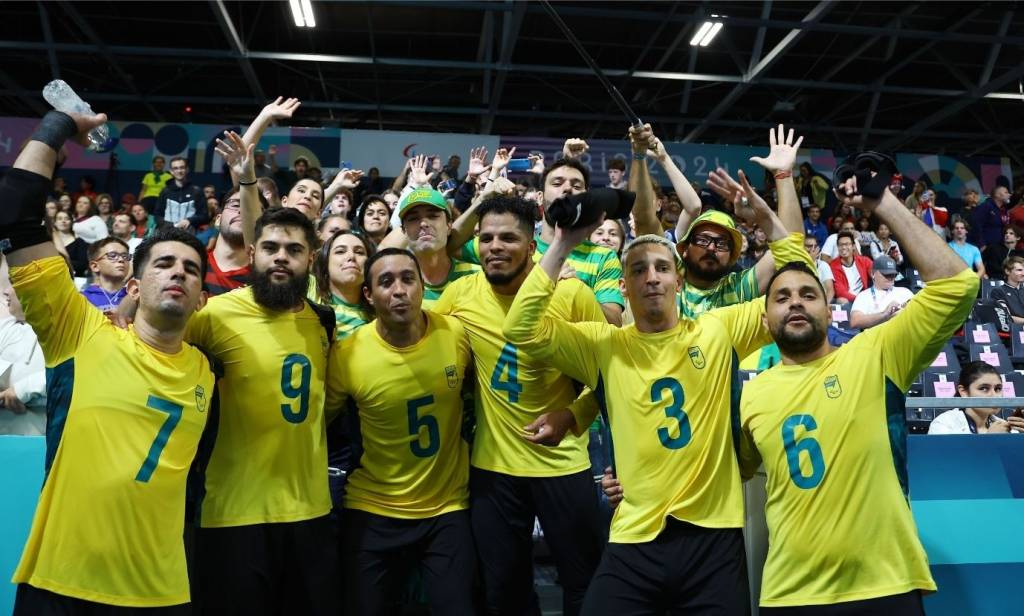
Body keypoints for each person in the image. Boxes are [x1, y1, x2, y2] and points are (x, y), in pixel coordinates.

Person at [502, 180, 810, 615]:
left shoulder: (718, 330)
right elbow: (521, 329)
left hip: (713, 537)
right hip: (634, 536)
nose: (651, 278)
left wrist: (768, 209)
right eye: (639, 270)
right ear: (623, 286)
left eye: (662, 268)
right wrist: (564, 242)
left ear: (679, 280)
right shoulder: (603, 345)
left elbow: (801, 292)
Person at [738, 167, 983, 614]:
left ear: (831, 311)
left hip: (885, 585)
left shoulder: (876, 353)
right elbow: (727, 469)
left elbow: (958, 286)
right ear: (764, 319)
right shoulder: (750, 393)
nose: (795, 301)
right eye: (782, 296)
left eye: (808, 295)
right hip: (790, 594)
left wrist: (883, 201)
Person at [5, 108, 214, 613]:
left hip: (162, 591)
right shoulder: (80, 332)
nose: (179, 274)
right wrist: (57, 129)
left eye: (190, 270)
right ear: (134, 288)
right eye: (164, 264)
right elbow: (12, 211)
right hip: (62, 581)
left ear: (202, 300)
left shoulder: (209, 367)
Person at [431, 195, 607, 616]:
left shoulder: (572, 294)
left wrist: (573, 415)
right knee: (504, 590)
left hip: (563, 463)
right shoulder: (460, 293)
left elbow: (609, 373)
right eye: (487, 238)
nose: (495, 246)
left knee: (584, 583)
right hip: (494, 469)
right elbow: (425, 346)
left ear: (532, 246)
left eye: (509, 238)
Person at [189, 141, 340, 615]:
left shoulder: (324, 321)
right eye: (270, 248)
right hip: (232, 512)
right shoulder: (214, 316)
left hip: (310, 510)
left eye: (294, 250)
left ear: (310, 258)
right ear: (252, 254)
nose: (281, 258)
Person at [326, 247, 475, 615]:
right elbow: (318, 425)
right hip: (373, 505)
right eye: (386, 282)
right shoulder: (348, 354)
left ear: (422, 286)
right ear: (369, 295)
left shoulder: (454, 334)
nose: (399, 290)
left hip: (446, 506)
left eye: (408, 279)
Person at [381, 187, 479, 310]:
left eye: (433, 216)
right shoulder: (395, 288)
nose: (423, 224)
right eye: (413, 219)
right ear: (404, 231)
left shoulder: (477, 276)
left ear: (449, 226)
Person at [0, 260, 46, 437]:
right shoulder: (6, 328)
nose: (5, 291)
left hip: (43, 432)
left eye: (13, 284)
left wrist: (23, 389)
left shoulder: (68, 330)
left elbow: (74, 373)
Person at [929, 361, 1024, 434]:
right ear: (963, 392)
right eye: (984, 388)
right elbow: (947, 459)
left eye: (998, 388)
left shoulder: (1006, 428)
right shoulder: (943, 424)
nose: (994, 395)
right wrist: (990, 439)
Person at [312, 229, 374, 340]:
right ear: (325, 262)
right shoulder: (310, 289)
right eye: (340, 251)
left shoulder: (379, 312)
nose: (351, 256)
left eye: (359, 252)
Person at [204, 190, 253, 296]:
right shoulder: (192, 263)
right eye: (235, 205)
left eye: (252, 209)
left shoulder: (265, 280)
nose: (243, 211)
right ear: (218, 219)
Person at [849, 255, 915, 329]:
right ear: (873, 274)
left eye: (893, 274)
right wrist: (885, 314)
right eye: (886, 274)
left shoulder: (905, 292)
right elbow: (855, 321)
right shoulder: (864, 296)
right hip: (877, 337)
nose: (891, 277)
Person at [155, 157, 208, 231]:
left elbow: (204, 216)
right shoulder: (165, 191)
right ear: (171, 171)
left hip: (189, 232)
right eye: (175, 168)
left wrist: (189, 220)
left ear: (187, 169)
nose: (179, 171)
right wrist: (169, 225)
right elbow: (157, 215)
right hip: (167, 232)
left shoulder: (196, 191)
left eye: (182, 167)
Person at [81, 237, 131, 313]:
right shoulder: (83, 298)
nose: (121, 260)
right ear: (95, 266)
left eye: (125, 256)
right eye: (112, 255)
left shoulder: (135, 297)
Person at [829, 231, 873, 306]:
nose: (843, 247)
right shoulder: (833, 266)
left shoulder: (864, 261)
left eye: (847, 244)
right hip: (849, 301)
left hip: (864, 297)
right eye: (840, 245)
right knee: (841, 300)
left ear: (853, 246)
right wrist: (860, 300)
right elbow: (840, 292)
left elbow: (876, 274)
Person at [970, 185, 1011, 251]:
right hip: (987, 247)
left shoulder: (1003, 210)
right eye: (1006, 192)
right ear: (997, 195)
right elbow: (976, 225)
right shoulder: (985, 207)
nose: (1009, 194)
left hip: (1000, 246)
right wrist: (981, 244)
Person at [51, 211, 89, 278]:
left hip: (74, 278)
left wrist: (58, 263)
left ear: (71, 222)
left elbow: (82, 265)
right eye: (60, 219)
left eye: (67, 219)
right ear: (55, 222)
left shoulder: (80, 242)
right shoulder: (49, 242)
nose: (63, 221)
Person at [989, 256, 1024, 323]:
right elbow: (1005, 316)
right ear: (1007, 271)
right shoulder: (998, 291)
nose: (1023, 273)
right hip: (1014, 330)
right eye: (1019, 270)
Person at [804, 235, 835, 303]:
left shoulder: (823, 265)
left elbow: (830, 290)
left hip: (821, 302)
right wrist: (810, 261)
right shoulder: (797, 265)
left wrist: (825, 305)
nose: (813, 249)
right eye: (809, 246)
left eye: (815, 246)